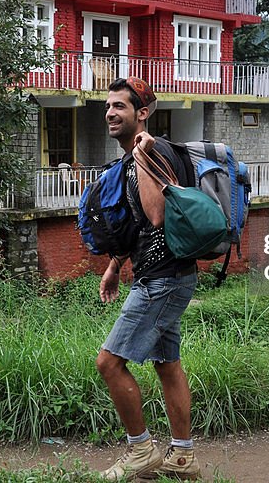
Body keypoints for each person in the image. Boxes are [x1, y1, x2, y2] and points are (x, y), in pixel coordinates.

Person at [96, 77, 201, 482]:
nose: (110, 112)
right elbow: (140, 226)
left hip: (164, 280)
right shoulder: (132, 159)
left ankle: (140, 450)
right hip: (163, 275)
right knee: (167, 364)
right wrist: (114, 265)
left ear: (141, 114)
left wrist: (142, 156)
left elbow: (157, 215)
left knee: (108, 362)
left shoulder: (153, 154)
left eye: (119, 106)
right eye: (108, 106)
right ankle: (183, 456)